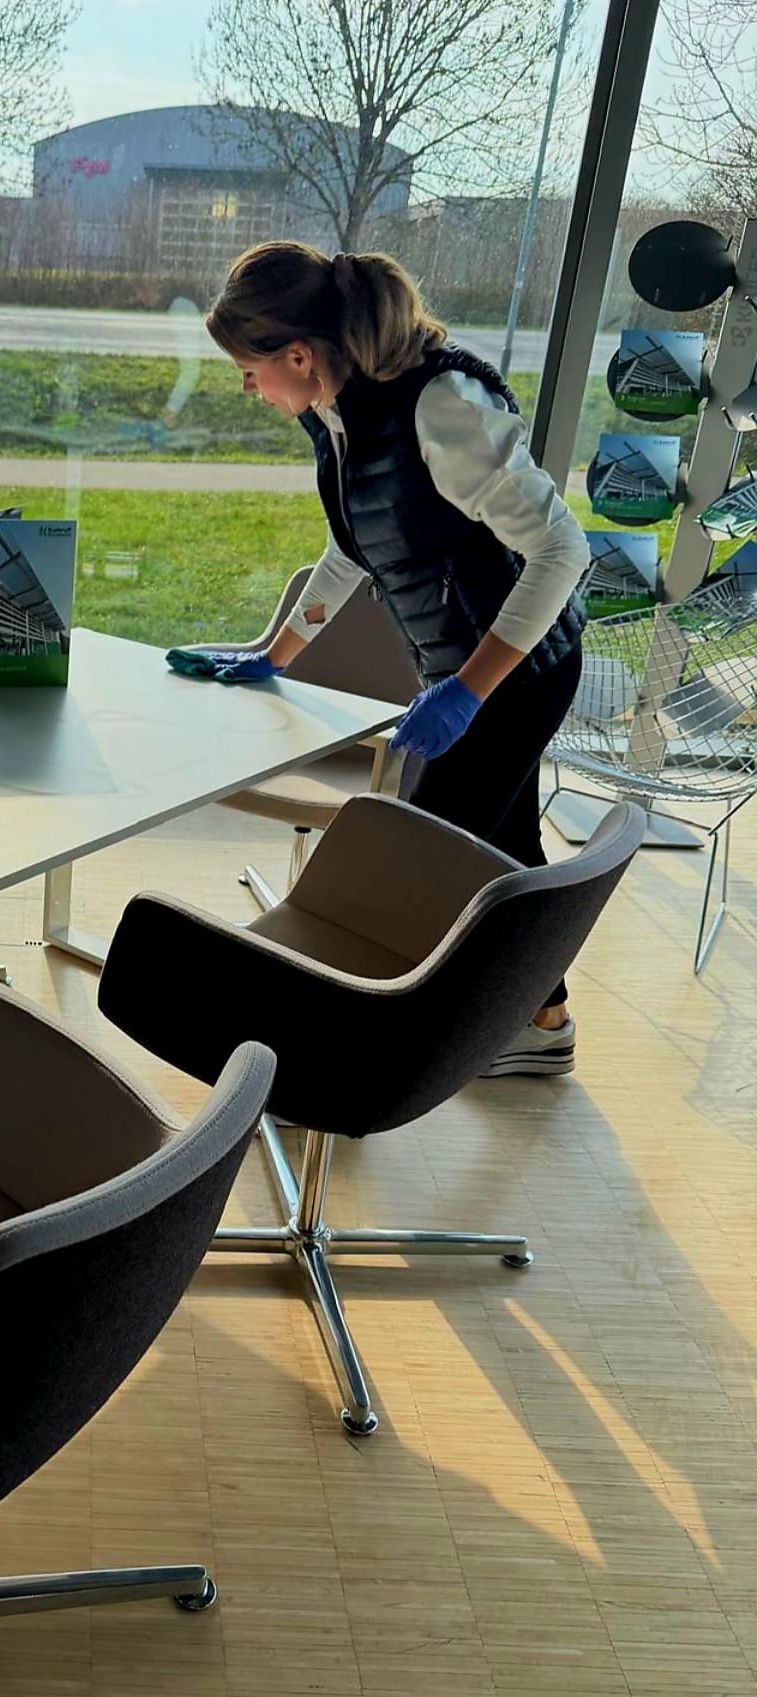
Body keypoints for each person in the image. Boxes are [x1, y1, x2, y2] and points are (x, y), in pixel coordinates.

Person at [196, 239, 590, 1077]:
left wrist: (468, 692)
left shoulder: (439, 407)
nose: (248, 388)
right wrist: (276, 653)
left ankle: (356, 1054)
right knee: (506, 848)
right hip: (465, 672)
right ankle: (544, 1019)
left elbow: (563, 550)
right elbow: (356, 546)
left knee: (412, 862)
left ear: (298, 355)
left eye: (249, 370)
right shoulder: (338, 412)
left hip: (518, 672)